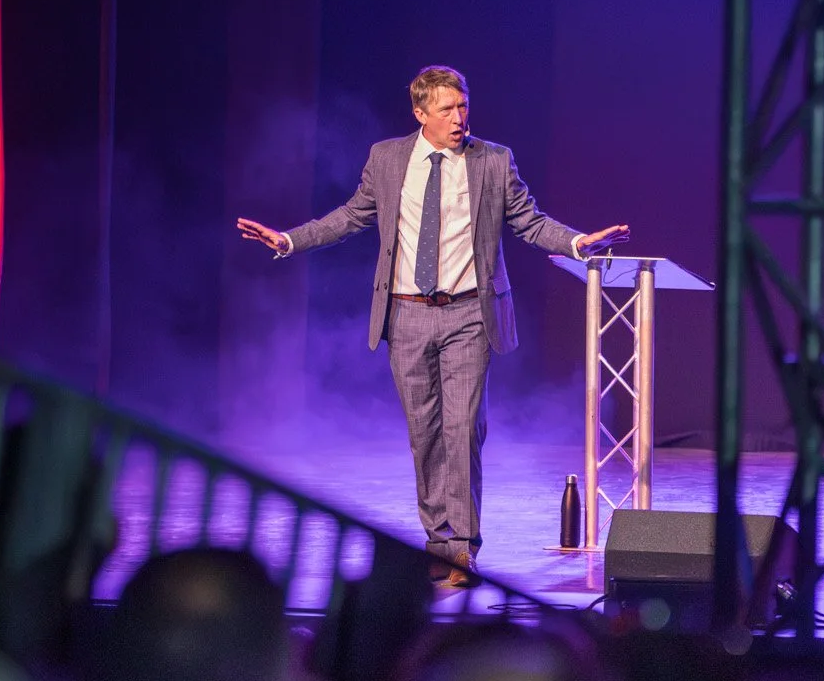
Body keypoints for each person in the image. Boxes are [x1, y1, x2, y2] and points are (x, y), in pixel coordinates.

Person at [236, 65, 628, 587]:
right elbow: (351, 215)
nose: (459, 118)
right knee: (425, 436)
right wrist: (289, 240)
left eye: (463, 106)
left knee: (463, 431)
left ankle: (463, 550)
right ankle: (438, 543)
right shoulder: (388, 158)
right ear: (420, 113)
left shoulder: (493, 160)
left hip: (469, 312)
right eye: (446, 109)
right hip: (407, 313)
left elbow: (529, 221)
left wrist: (579, 244)